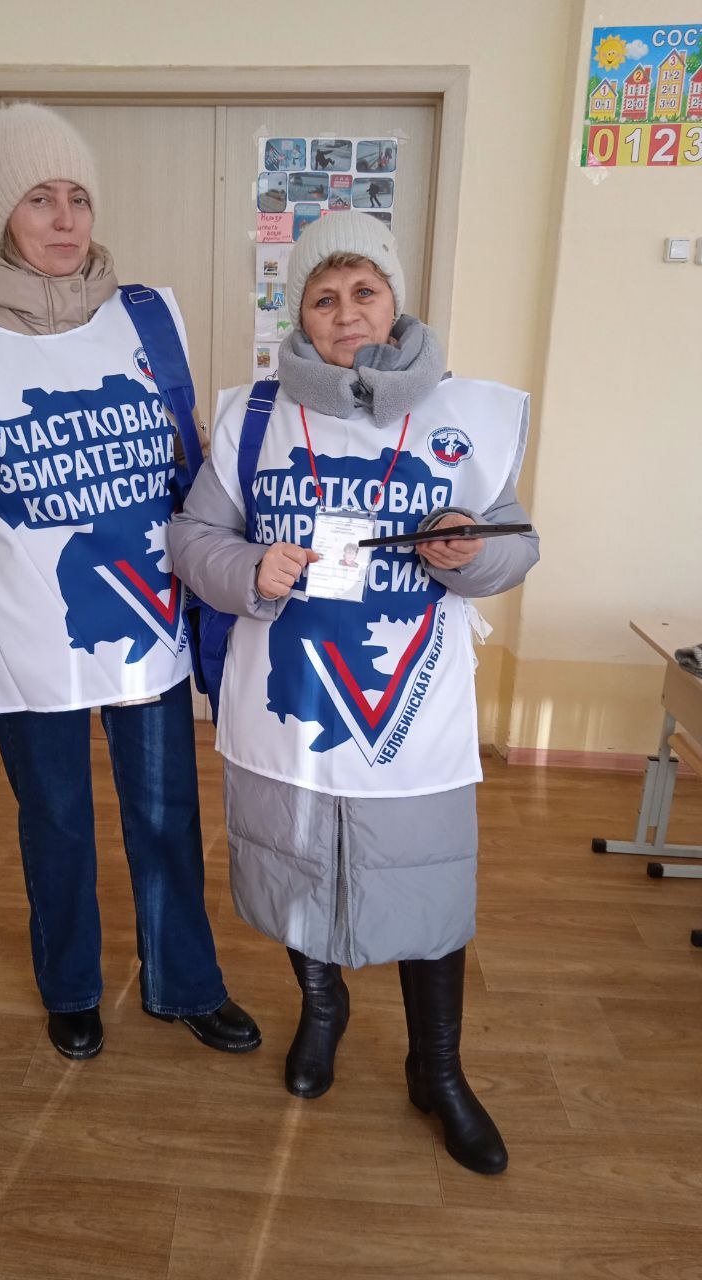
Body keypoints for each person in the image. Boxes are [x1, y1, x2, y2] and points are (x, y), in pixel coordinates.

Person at [0, 104, 260, 1062]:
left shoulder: (146, 321)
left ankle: (185, 983)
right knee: (55, 820)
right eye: (40, 198)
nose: (64, 219)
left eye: (78, 198)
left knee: (167, 814)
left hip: (147, 620)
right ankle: (72, 987)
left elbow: (190, 468)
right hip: (26, 631)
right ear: (3, 212)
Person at [169, 211, 538, 1175]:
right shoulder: (252, 418)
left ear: (395, 300)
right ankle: (322, 1010)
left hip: (411, 713)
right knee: (299, 869)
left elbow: (517, 545)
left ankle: (438, 1070)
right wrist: (248, 567)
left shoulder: (466, 417)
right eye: (323, 297)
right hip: (291, 705)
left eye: (364, 291)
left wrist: (469, 553)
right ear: (299, 313)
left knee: (426, 885)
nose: (346, 313)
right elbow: (192, 540)